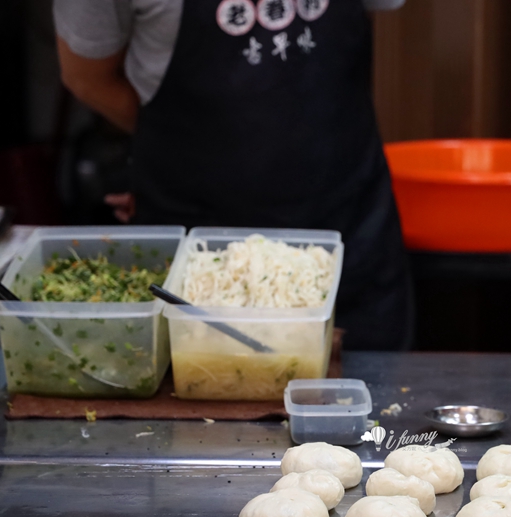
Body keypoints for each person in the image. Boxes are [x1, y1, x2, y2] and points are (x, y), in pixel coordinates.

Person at [54, 0, 411, 350]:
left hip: (349, 227)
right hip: (202, 259)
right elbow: (86, 76)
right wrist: (171, 151)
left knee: (377, 401)